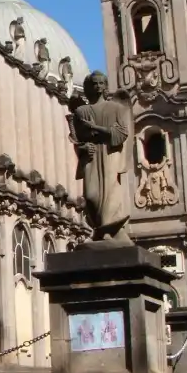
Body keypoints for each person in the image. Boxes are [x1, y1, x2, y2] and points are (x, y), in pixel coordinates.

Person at [72, 72, 133, 245]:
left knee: (110, 191)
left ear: (106, 86)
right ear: (88, 87)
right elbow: (77, 139)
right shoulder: (81, 111)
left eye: (101, 83)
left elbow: (122, 134)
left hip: (110, 153)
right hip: (92, 156)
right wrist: (83, 147)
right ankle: (101, 229)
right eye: (94, 84)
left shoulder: (117, 108)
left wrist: (96, 127)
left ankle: (107, 231)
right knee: (91, 195)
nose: (98, 86)